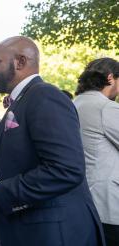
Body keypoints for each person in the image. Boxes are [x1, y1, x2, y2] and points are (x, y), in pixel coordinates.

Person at [0, 36, 105, 245]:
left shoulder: (45, 96)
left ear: (20, 62)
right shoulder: (23, 99)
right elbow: (21, 160)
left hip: (53, 234)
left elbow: (65, 169)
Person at [73, 57, 119, 246]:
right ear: (110, 78)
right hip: (108, 206)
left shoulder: (74, 104)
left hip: (79, 204)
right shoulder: (106, 107)